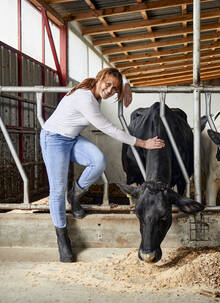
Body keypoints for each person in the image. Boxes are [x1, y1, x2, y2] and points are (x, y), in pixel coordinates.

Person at [40, 68, 165, 263]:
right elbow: (109, 129)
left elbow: (118, 81)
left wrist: (126, 87)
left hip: (72, 139)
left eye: (114, 89)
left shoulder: (93, 88)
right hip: (54, 139)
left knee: (98, 161)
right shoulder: (85, 98)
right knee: (57, 190)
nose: (109, 91)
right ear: (99, 79)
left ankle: (74, 195)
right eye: (107, 85)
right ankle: (62, 237)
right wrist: (143, 143)